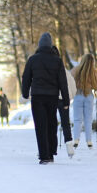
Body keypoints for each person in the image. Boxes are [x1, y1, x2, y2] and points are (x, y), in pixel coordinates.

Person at [21, 32, 70, 164]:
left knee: (40, 126)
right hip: (52, 97)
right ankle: (51, 152)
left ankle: (44, 156)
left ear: (39, 45)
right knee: (51, 123)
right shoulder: (57, 60)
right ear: (50, 45)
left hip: (37, 97)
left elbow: (26, 77)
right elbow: (63, 82)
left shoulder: (33, 59)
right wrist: (66, 100)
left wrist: (25, 93)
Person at [70, 53, 97, 149]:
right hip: (89, 96)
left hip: (78, 95)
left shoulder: (75, 70)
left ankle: (76, 139)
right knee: (88, 120)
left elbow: (70, 82)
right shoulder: (94, 71)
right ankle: (89, 141)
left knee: (77, 119)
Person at [53, 45, 75, 159]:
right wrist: (69, 98)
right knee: (66, 123)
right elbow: (73, 86)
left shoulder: (48, 70)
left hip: (52, 99)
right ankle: (69, 147)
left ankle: (52, 148)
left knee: (51, 124)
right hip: (64, 100)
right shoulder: (65, 70)